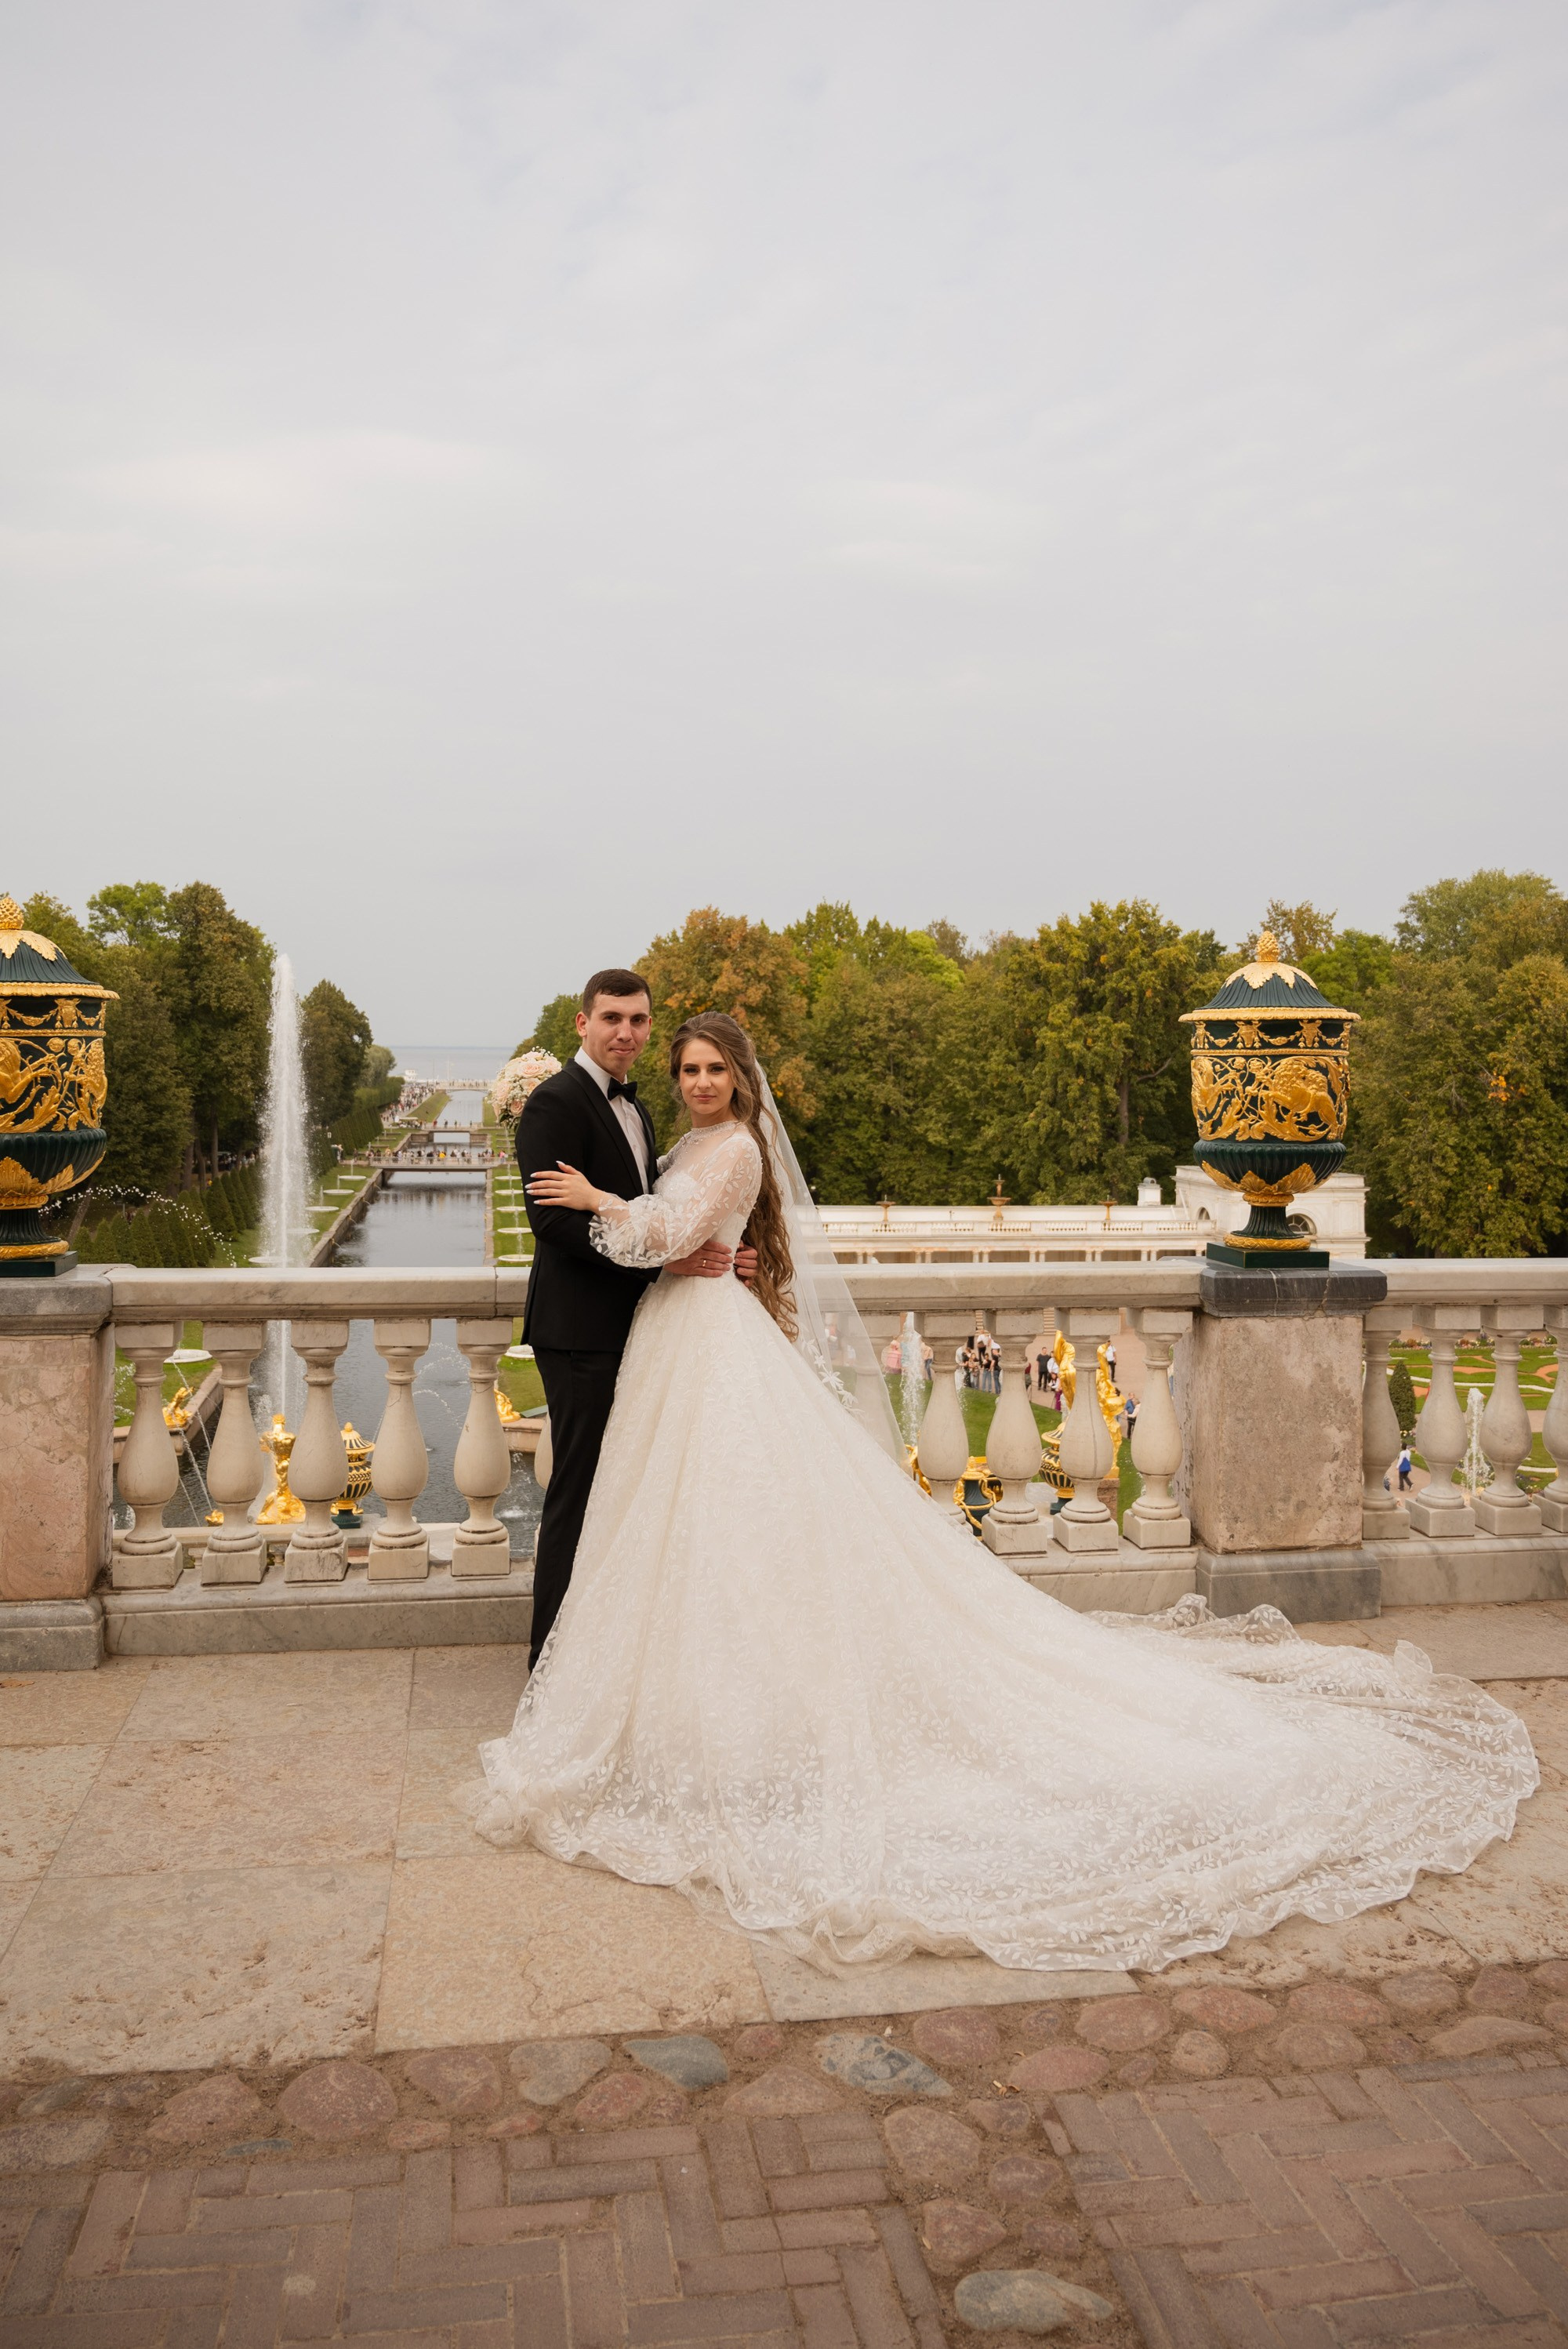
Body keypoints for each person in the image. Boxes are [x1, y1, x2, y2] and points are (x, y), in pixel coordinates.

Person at [478, 1014, 1537, 1977]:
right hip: (684, 1340)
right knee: (696, 1530)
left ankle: (745, 1712)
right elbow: (681, 1240)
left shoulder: (738, 1148)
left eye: (713, 1067)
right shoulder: (683, 1143)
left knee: (736, 1523)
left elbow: (663, 1239)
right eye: (689, 1069)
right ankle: (688, 1700)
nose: (700, 1081)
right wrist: (668, 1230)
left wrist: (601, 1203)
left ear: (740, 1078)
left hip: (710, 1342)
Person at [516, 971, 757, 1666]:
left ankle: (611, 1647)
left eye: (638, 1020)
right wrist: (660, 1261)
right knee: (580, 1492)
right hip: (579, 1332)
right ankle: (549, 1660)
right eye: (612, 1018)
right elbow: (551, 1223)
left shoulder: (643, 1111)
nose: (625, 1032)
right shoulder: (555, 1101)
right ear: (583, 1023)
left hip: (643, 1331)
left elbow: (671, 1208)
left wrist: (741, 1251)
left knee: (627, 1491)